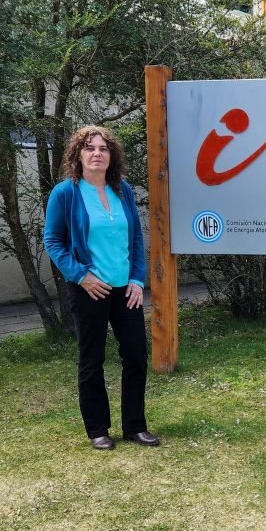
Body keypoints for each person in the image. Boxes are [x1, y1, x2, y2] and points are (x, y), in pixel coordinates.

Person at [44, 126, 159, 450]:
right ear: (78, 155)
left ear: (112, 156)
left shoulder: (122, 190)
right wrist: (81, 276)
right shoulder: (65, 193)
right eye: (90, 148)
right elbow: (53, 241)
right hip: (90, 289)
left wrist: (137, 279)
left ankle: (135, 426)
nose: (97, 153)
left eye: (103, 148)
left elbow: (135, 238)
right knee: (92, 359)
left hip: (126, 289)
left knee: (136, 355)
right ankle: (98, 430)